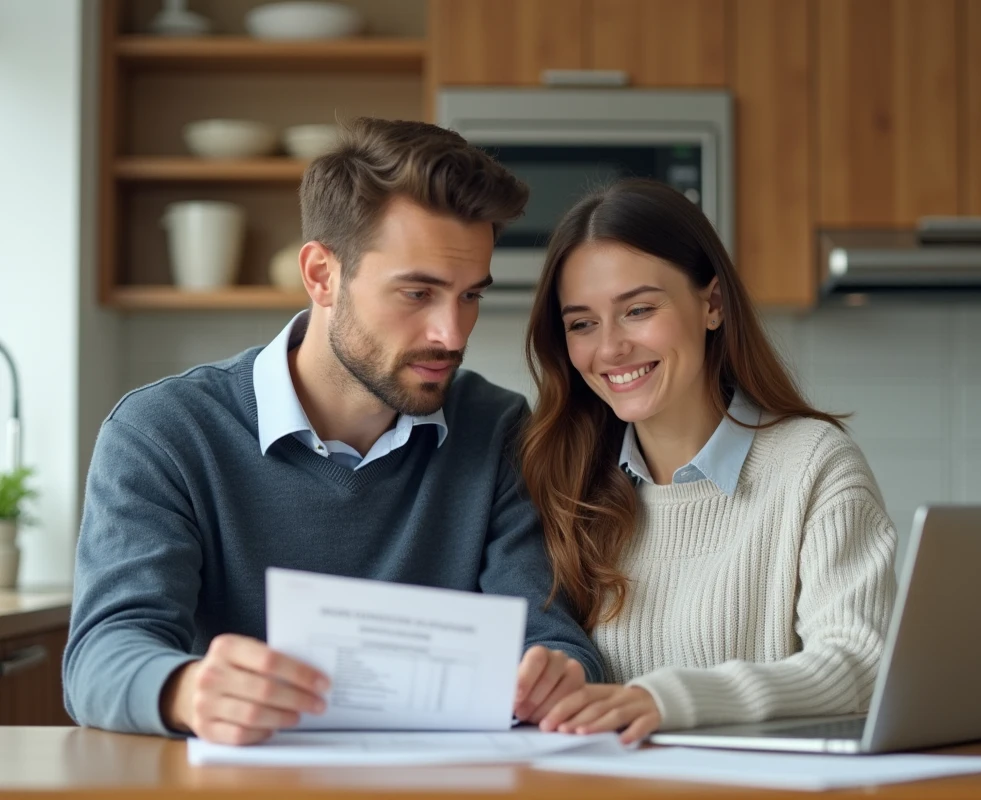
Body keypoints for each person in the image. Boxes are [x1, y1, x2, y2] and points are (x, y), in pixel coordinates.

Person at [64, 118, 602, 744]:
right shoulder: (165, 433)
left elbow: (551, 636)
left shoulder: (498, 429)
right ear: (321, 274)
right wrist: (184, 689)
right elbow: (100, 656)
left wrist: (558, 673)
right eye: (417, 292)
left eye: (470, 296)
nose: (452, 335)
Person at [519, 178, 897, 744]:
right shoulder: (563, 480)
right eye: (582, 324)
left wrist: (665, 700)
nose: (610, 348)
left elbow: (860, 668)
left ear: (712, 304)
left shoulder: (814, 464)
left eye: (638, 309)